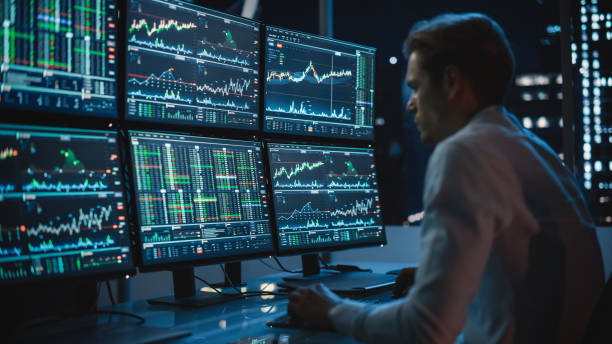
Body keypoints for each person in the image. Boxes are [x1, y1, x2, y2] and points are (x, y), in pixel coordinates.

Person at [287, 12, 605, 343]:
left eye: (415, 87)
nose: (410, 105)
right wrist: (442, 277)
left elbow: (426, 328)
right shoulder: (533, 151)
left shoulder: (465, 153)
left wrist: (333, 311)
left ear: (451, 81)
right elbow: (525, 273)